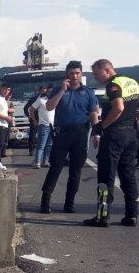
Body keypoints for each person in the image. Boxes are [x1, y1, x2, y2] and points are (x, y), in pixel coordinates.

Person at [84, 59, 139, 227]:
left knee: (106, 176)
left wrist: (103, 126)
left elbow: (119, 107)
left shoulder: (113, 85)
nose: (95, 77)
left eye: (96, 73)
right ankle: (131, 215)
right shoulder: (134, 82)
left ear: (107, 70)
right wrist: (137, 120)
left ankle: (102, 216)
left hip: (114, 135)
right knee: (128, 175)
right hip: (131, 134)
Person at [39, 61, 99, 214]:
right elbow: (49, 107)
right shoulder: (59, 90)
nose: (74, 76)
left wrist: (97, 134)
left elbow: (93, 114)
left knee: (76, 169)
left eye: (77, 73)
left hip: (80, 133)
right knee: (56, 166)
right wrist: (62, 91)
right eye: (71, 73)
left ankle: (69, 202)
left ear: (81, 74)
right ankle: (45, 200)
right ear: (67, 74)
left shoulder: (88, 93)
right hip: (62, 133)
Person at [29, 85, 54, 169]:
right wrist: (34, 120)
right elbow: (31, 109)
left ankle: (45, 161)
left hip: (52, 126)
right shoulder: (41, 100)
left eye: (52, 91)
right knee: (41, 145)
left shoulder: (54, 101)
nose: (50, 93)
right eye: (49, 91)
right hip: (43, 125)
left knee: (49, 145)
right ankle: (37, 161)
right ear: (46, 92)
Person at [0, 83, 13, 173]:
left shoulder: (4, 100)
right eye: (5, 89)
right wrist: (6, 117)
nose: (6, 91)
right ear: (1, 88)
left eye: (8, 90)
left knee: (1, 144)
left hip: (4, 124)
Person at [23, 86, 43, 156]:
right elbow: (25, 108)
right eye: (42, 90)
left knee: (43, 135)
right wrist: (29, 115)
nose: (43, 92)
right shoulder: (33, 99)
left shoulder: (48, 99)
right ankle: (31, 150)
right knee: (32, 135)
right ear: (39, 91)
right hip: (34, 119)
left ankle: (42, 151)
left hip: (43, 119)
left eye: (45, 91)